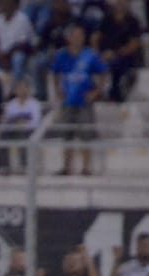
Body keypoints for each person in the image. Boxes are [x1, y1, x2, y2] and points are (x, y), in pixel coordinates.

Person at [51, 23, 107, 176]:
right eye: (75, 36)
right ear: (69, 38)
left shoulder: (90, 55)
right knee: (66, 135)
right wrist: (58, 91)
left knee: (86, 135)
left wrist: (96, 92)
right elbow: (55, 73)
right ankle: (66, 167)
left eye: (81, 36)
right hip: (67, 101)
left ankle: (86, 168)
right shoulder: (62, 55)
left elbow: (104, 73)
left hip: (84, 102)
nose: (78, 39)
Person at [96, 0, 142, 103]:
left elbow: (135, 43)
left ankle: (116, 94)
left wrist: (116, 53)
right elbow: (97, 37)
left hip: (125, 57)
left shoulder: (133, 21)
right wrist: (98, 54)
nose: (122, 4)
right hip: (106, 54)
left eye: (125, 2)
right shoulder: (106, 19)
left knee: (118, 65)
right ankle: (98, 93)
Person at [0, 0, 34, 82]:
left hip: (16, 55)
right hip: (0, 56)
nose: (5, 5)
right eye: (3, 3)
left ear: (15, 5)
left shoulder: (22, 19)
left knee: (18, 58)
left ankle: (15, 89)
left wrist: (7, 56)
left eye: (8, 3)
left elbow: (22, 44)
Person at [0, 76, 41, 173]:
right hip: (13, 130)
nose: (22, 90)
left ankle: (25, 166)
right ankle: (4, 166)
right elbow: (7, 121)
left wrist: (21, 123)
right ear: (15, 90)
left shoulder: (34, 104)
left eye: (24, 88)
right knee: (1, 137)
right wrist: (18, 122)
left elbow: (35, 122)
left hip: (28, 131)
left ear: (28, 89)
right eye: (19, 88)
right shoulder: (11, 104)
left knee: (24, 137)